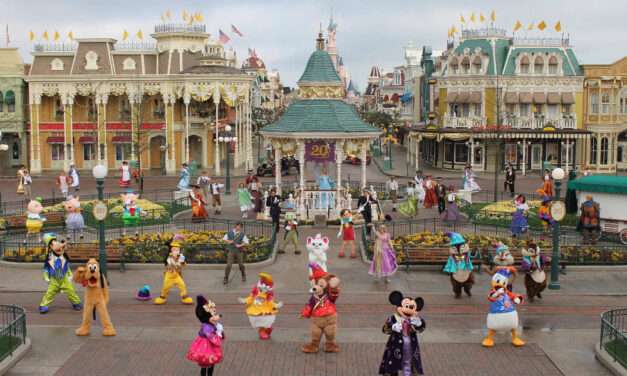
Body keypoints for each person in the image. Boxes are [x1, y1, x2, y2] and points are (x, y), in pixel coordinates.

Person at [186, 295, 224, 376]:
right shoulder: (206, 326)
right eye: (212, 316)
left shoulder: (210, 324)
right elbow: (211, 337)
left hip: (208, 346)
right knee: (205, 363)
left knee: (210, 363)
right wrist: (219, 336)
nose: (215, 317)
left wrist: (219, 331)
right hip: (206, 347)